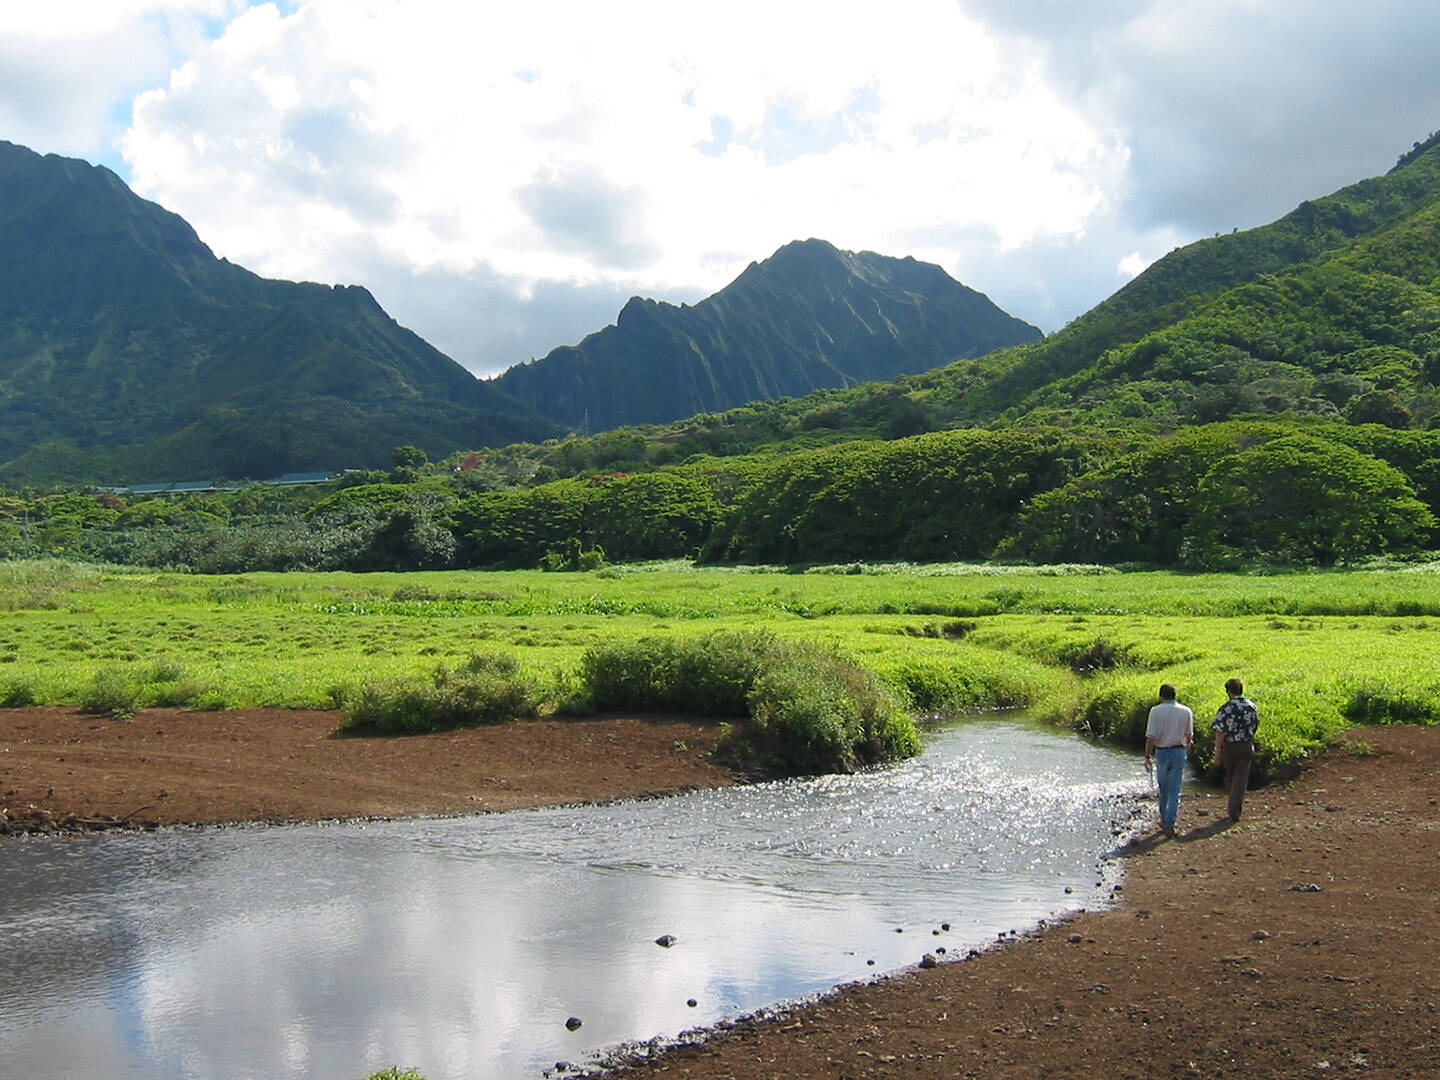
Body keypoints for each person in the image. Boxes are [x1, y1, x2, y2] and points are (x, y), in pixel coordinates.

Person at [1144, 683, 1193, 838]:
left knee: (1163, 788)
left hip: (1162, 752)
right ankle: (1170, 822)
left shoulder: (1155, 711)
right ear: (1175, 695)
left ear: (1161, 696)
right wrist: (1186, 748)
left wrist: (1147, 756)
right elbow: (1189, 735)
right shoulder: (1186, 711)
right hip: (1179, 750)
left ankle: (1164, 818)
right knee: (1175, 789)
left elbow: (1151, 737)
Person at [1213, 677, 1259, 822]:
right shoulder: (1252, 706)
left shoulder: (1226, 708)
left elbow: (1221, 732)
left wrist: (1217, 751)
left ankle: (1232, 810)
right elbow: (1255, 726)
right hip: (1247, 745)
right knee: (1241, 778)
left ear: (1228, 691)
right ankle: (1235, 810)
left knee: (1231, 776)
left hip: (1231, 746)